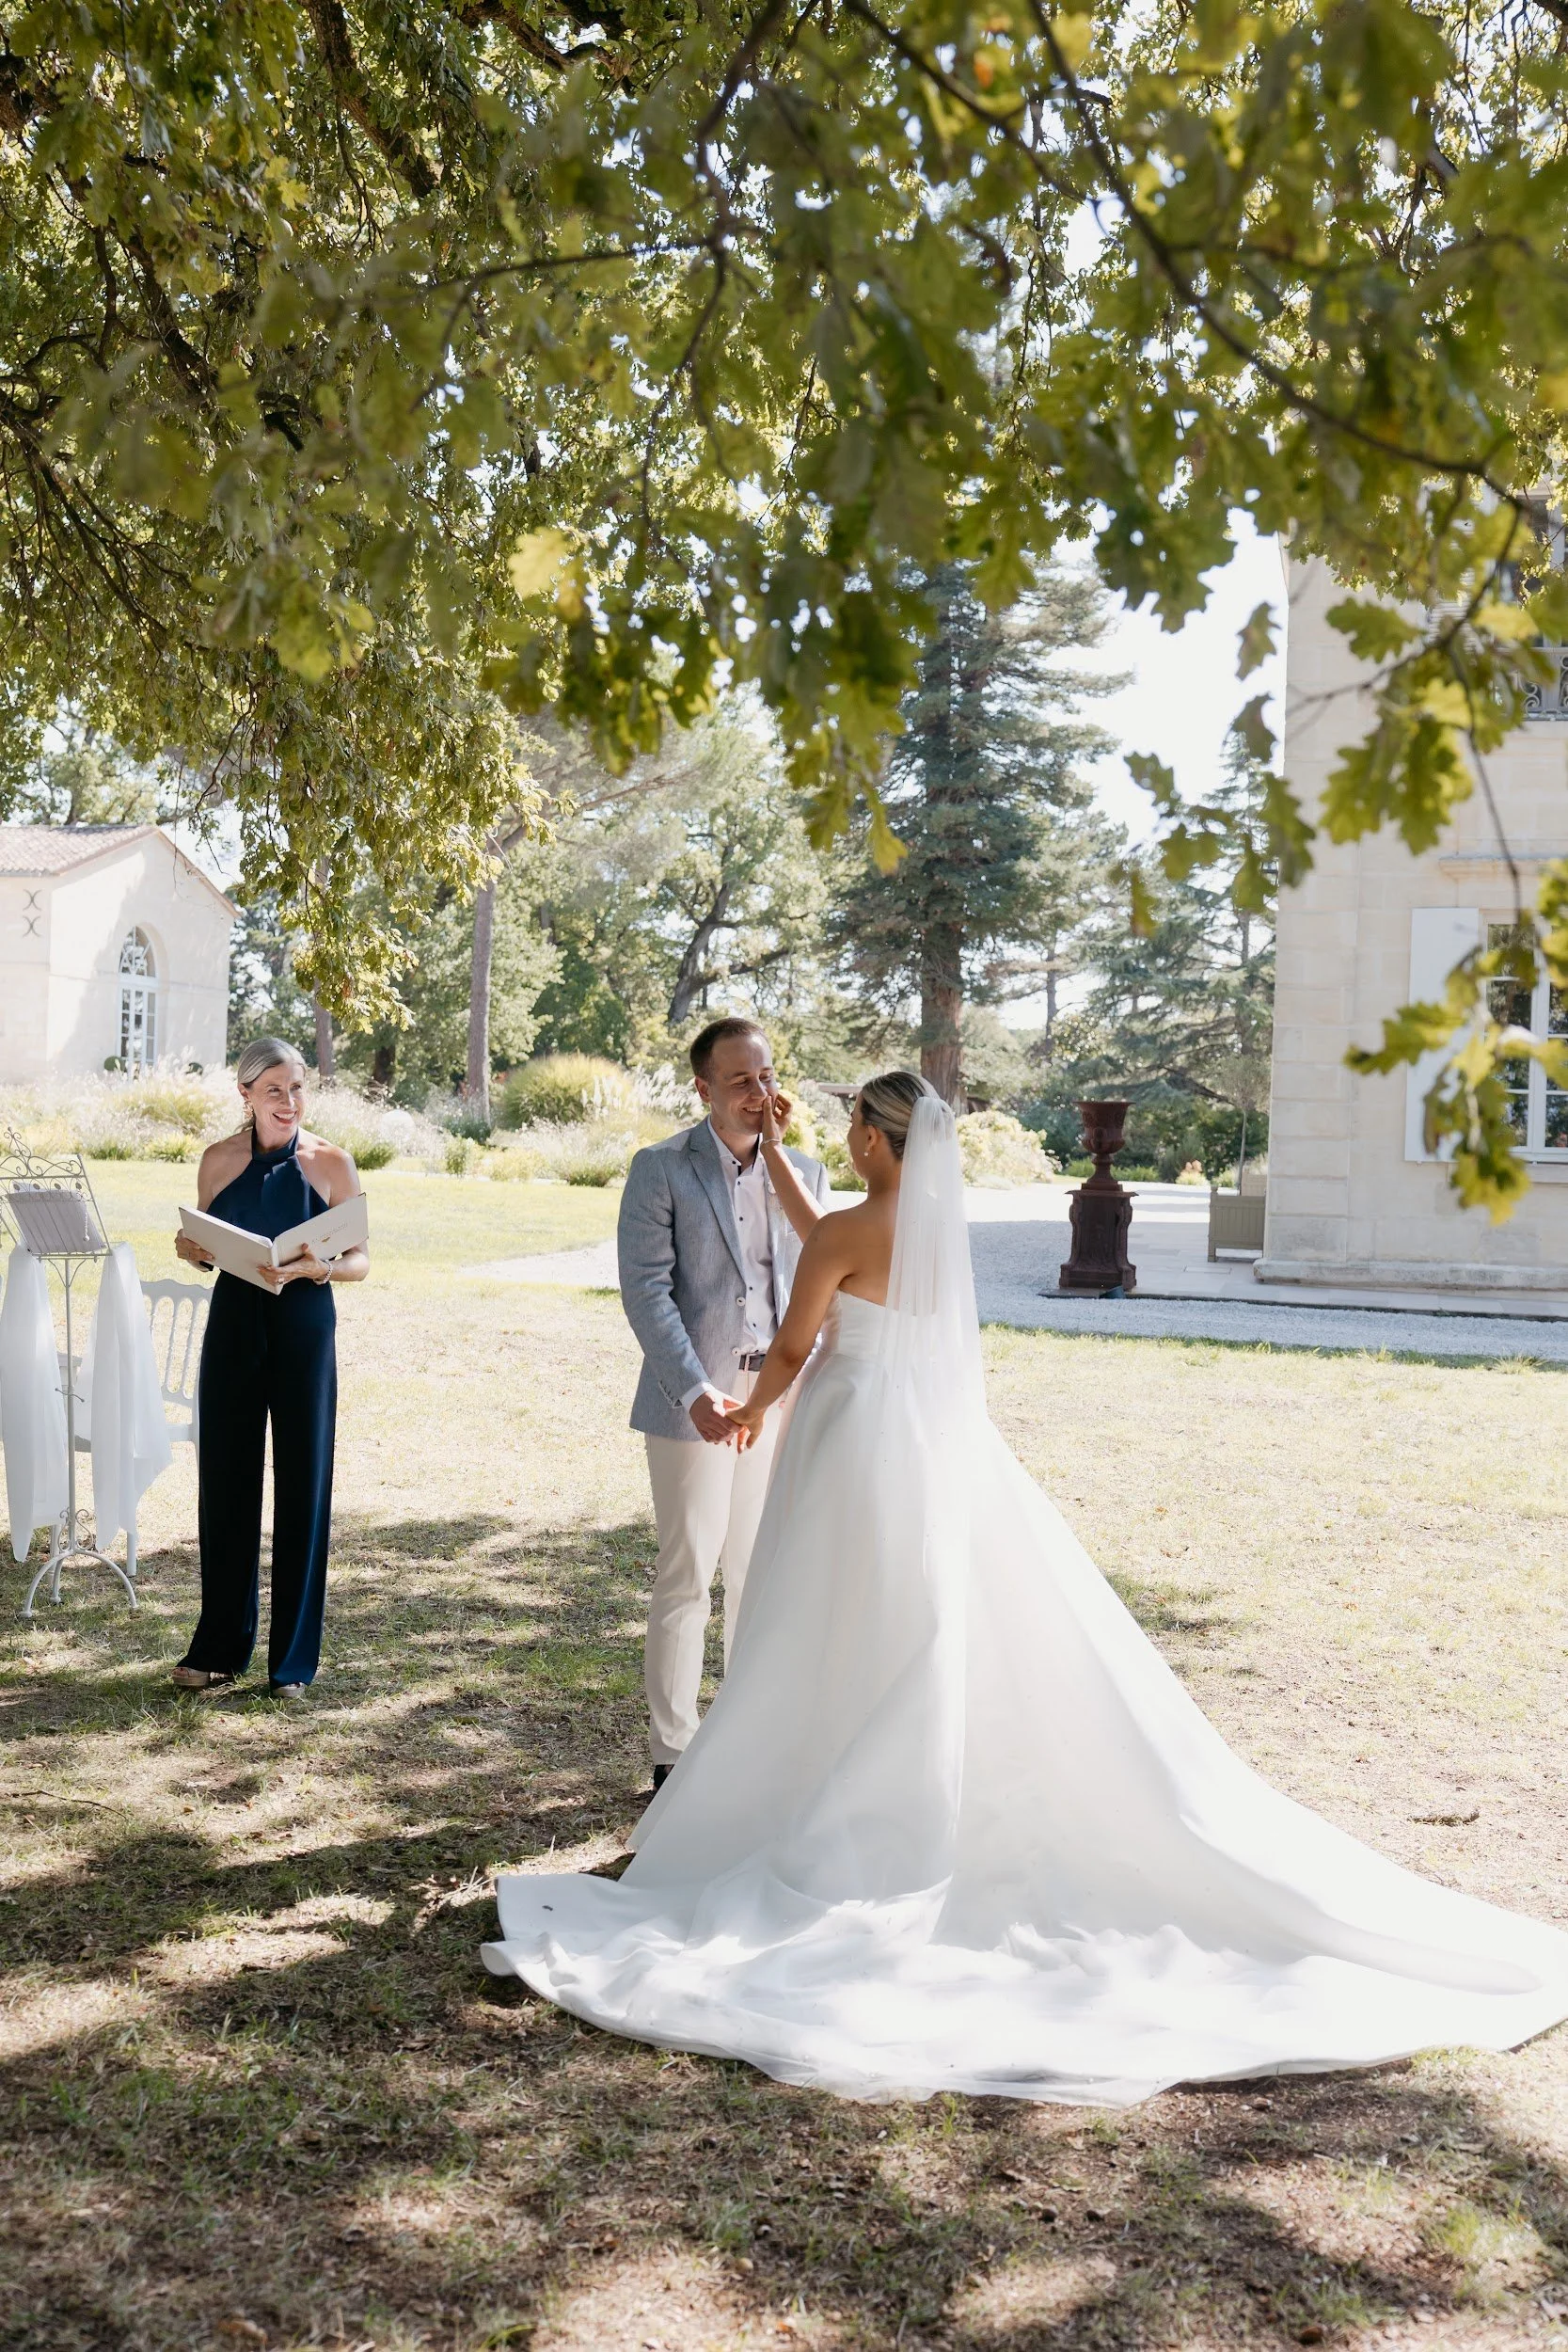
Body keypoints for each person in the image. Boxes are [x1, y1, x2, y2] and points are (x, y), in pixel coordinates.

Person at [483, 1072, 1568, 2106]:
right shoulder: (924, 1228)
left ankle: (820, 1797)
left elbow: (799, 1339)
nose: (848, 1133)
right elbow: (836, 1229)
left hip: (851, 1442)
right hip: (931, 1445)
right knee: (929, 1614)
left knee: (824, 1621)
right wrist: (773, 1159)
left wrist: (753, 1408)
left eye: (856, 1121)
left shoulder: (845, 1232)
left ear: (874, 1140)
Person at [616, 1017, 831, 1787]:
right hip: (694, 1399)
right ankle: (672, 1752)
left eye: (766, 1076)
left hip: (779, 1398)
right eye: (740, 1079)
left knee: (757, 1570)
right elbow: (645, 1292)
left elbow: (818, 1285)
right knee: (687, 1571)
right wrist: (695, 1389)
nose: (757, 1092)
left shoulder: (804, 1172)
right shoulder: (660, 1167)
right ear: (703, 1088)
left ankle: (743, 1738)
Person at [170, 1038, 368, 1700]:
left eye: (298, 1088)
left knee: (304, 1485)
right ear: (245, 1094)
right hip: (232, 1326)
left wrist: (323, 1266)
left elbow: (361, 1259)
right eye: (274, 1090)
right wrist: (191, 1250)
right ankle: (220, 1647)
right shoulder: (218, 1161)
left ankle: (292, 1663)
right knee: (225, 1483)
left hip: (305, 1327)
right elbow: (207, 1247)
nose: (289, 1102)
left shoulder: (332, 1164)